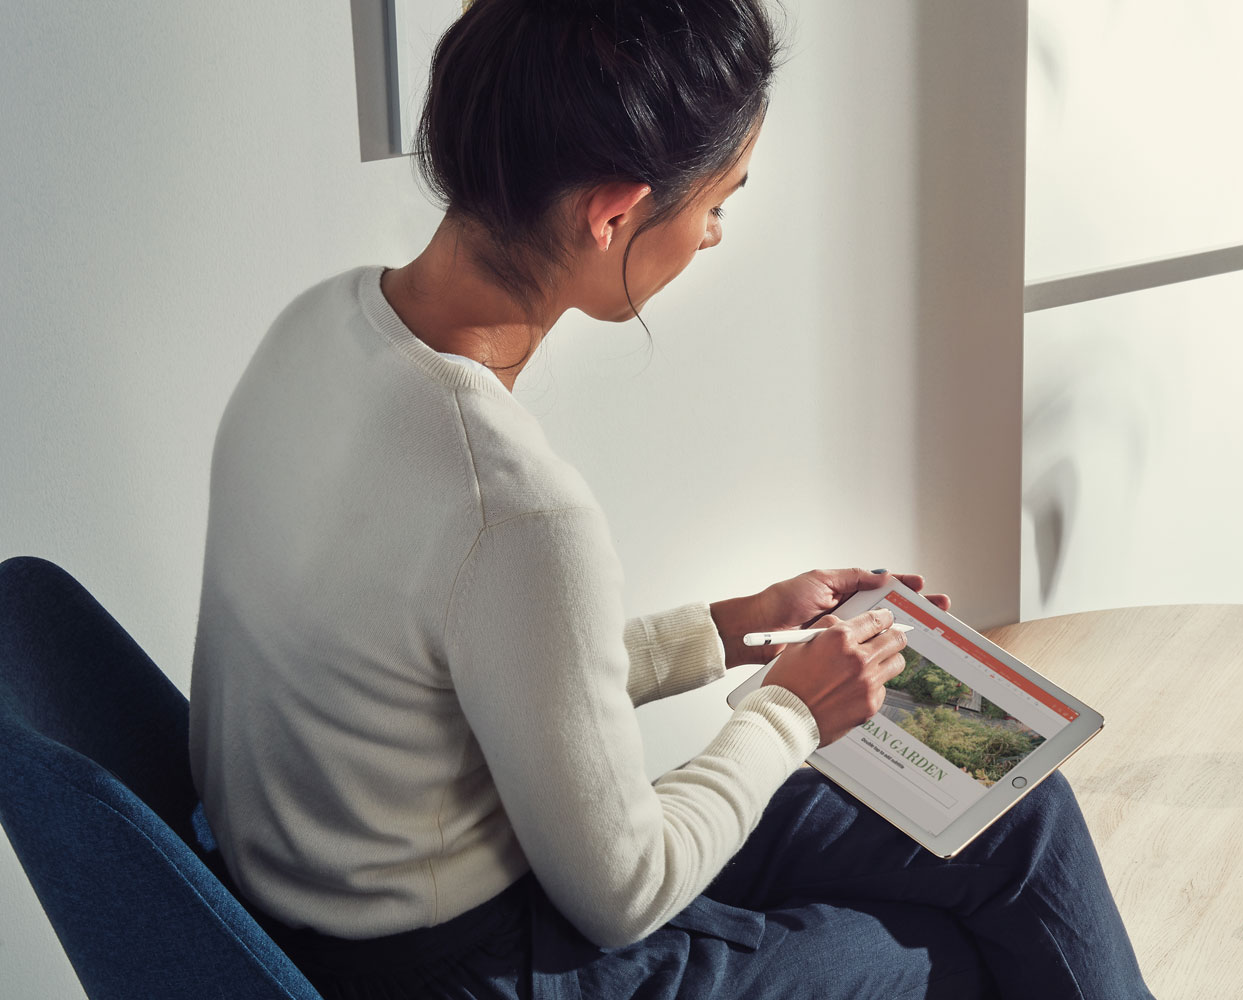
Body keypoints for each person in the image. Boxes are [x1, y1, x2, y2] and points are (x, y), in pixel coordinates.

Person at [186, 0, 1154, 997]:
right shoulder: (515, 507)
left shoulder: (318, 329)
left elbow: (481, 658)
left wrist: (733, 627)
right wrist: (792, 710)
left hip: (344, 907)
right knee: (933, 953)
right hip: (477, 962)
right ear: (611, 213)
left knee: (1013, 813)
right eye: (717, 201)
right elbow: (626, 890)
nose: (714, 234)